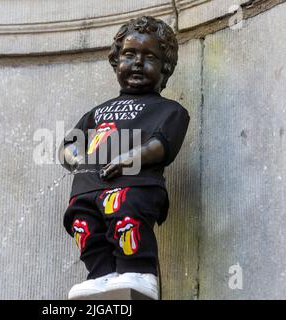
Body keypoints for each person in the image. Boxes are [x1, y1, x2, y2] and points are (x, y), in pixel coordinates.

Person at [58, 16, 190, 300]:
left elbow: (163, 145)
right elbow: (67, 145)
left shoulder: (168, 110)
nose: (138, 63)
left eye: (150, 57)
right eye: (129, 54)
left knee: (126, 218)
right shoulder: (97, 112)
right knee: (84, 225)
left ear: (166, 67)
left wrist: (131, 157)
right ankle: (100, 273)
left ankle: (137, 271)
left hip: (133, 184)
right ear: (116, 61)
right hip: (87, 187)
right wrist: (79, 159)